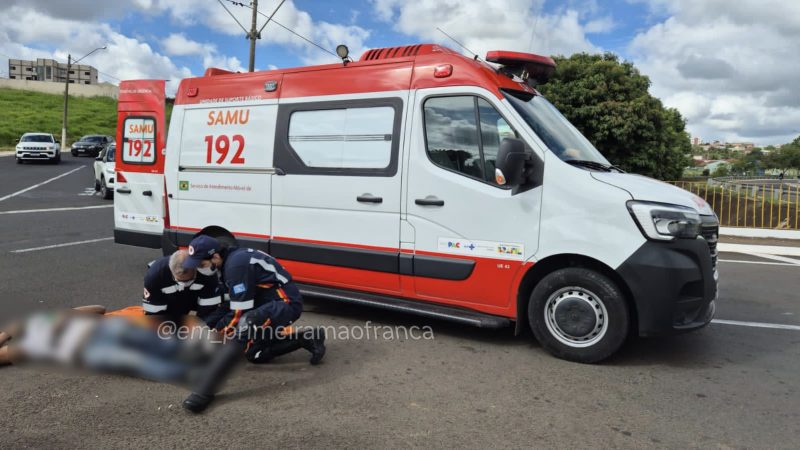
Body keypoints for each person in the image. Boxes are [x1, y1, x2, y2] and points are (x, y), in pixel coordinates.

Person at [179, 235, 326, 413]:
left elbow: (238, 313)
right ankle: (307, 338)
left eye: (201, 265)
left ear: (215, 257)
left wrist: (215, 336)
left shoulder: (236, 265)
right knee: (255, 354)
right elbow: (228, 306)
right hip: (263, 304)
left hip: (285, 303)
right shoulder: (227, 264)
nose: (200, 270)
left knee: (244, 327)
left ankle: (205, 390)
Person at [143, 249, 224, 326]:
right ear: (171, 271)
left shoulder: (207, 273)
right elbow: (153, 313)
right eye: (179, 280)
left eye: (188, 280)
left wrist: (201, 328)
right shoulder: (155, 276)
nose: (184, 285)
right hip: (169, 302)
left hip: (196, 298)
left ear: (195, 269)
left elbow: (209, 310)